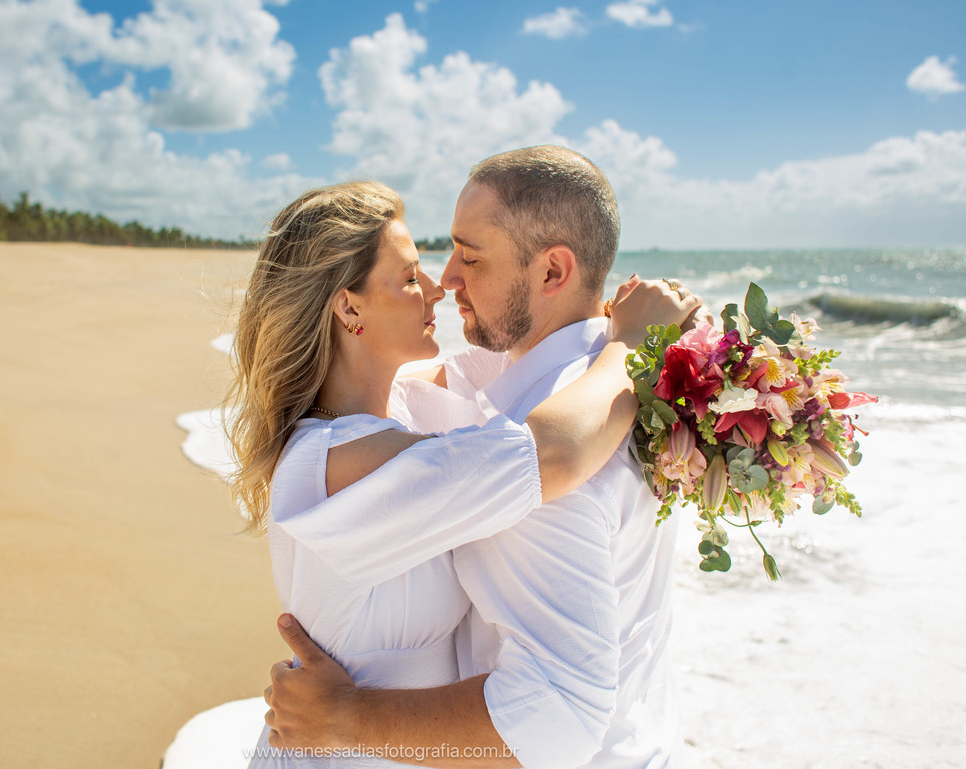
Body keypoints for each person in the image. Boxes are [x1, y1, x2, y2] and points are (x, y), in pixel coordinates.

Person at [214, 175, 697, 769]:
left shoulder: (400, 410)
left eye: (465, 258)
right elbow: (547, 454)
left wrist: (605, 325)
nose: (438, 286)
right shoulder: (339, 462)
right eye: (409, 277)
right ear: (349, 307)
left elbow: (505, 364)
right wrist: (634, 343)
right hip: (340, 749)